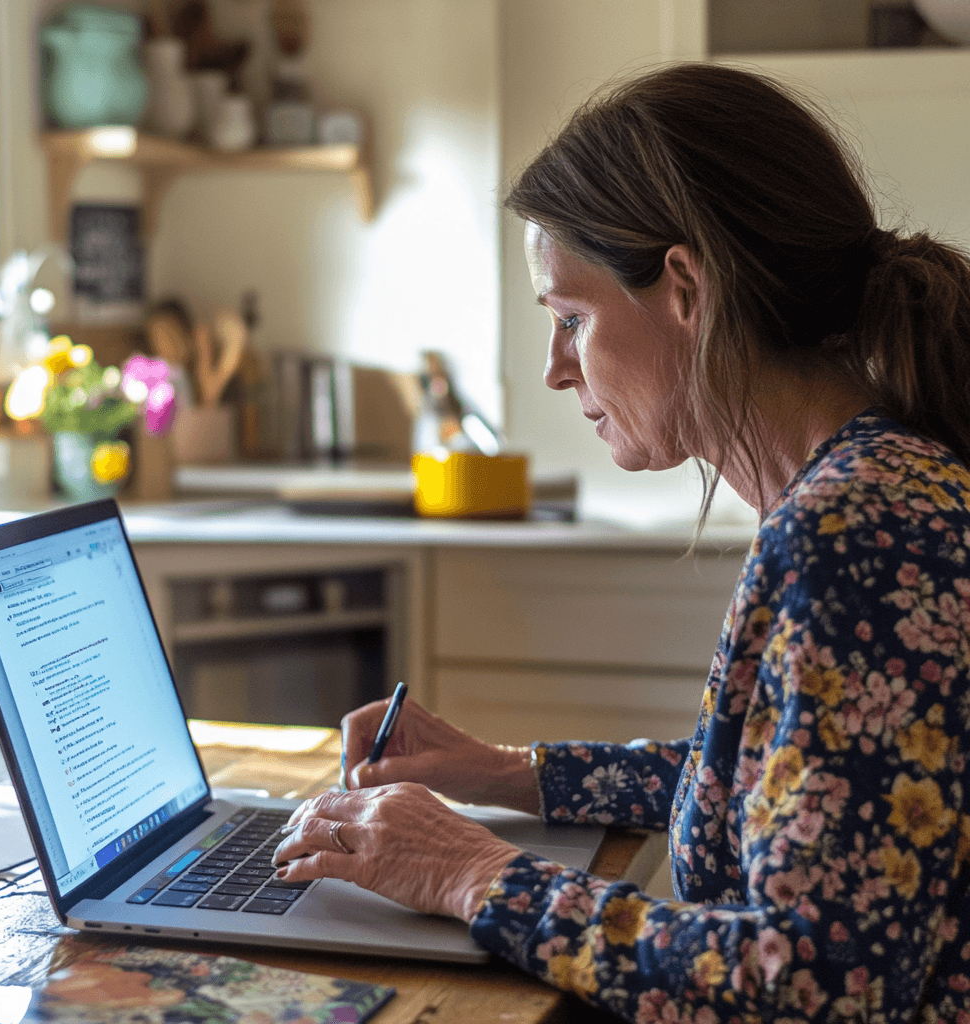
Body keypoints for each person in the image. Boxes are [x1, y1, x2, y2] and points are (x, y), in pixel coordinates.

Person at [271, 63, 970, 1021]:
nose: (559, 369)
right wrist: (508, 773)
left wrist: (474, 872)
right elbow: (806, 800)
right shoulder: (875, 482)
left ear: (686, 287)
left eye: (572, 319)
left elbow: (809, 988)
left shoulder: (853, 533)